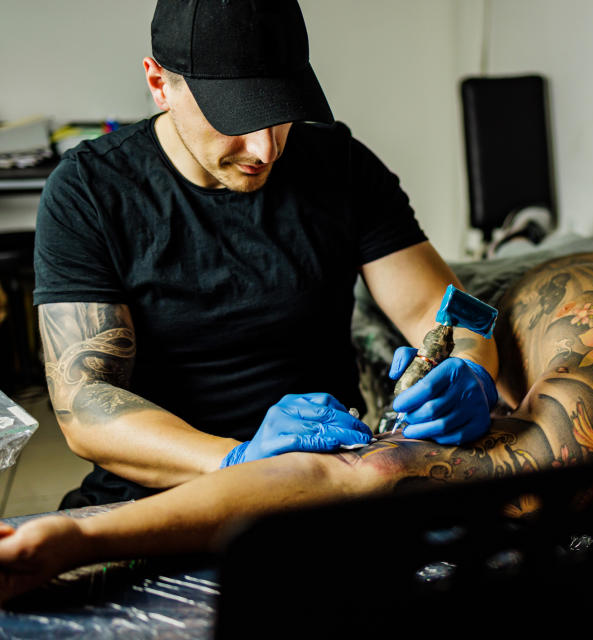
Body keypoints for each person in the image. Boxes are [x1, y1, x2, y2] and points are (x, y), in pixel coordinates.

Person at [0, 250, 593, 605]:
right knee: (398, 362)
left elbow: (346, 481)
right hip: (495, 293)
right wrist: (91, 530)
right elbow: (348, 468)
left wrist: (68, 541)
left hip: (498, 328)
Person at [35, 0, 499, 508]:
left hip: (328, 484)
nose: (265, 150)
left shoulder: (342, 167)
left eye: (280, 115)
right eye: (235, 119)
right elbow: (84, 404)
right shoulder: (90, 191)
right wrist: (237, 461)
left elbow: (444, 312)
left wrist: (473, 373)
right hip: (162, 492)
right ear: (159, 83)